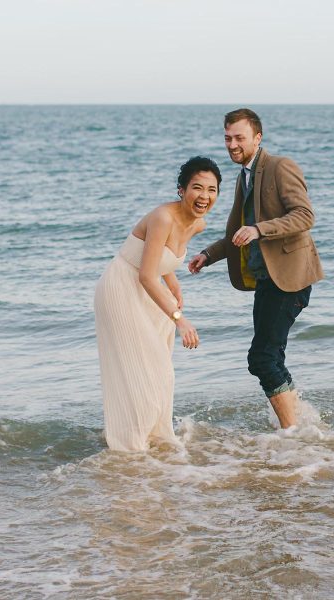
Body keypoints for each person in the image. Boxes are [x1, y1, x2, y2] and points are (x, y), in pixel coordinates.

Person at [188, 109, 324, 429]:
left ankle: (291, 433)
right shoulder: (244, 176)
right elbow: (239, 230)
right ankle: (301, 423)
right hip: (265, 279)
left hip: (289, 278)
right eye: (227, 138)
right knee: (269, 356)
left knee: (261, 358)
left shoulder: (280, 167)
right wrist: (209, 255)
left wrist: (261, 229)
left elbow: (305, 216)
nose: (232, 144)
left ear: (257, 138)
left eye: (239, 138)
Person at [95, 156, 221, 452]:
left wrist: (175, 287)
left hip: (148, 291)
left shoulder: (198, 225)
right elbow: (147, 275)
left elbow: (162, 261)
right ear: (181, 190)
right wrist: (180, 319)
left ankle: (149, 440)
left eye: (212, 190)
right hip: (122, 288)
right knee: (144, 371)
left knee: (160, 370)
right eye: (197, 188)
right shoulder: (163, 217)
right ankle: (129, 448)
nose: (204, 196)